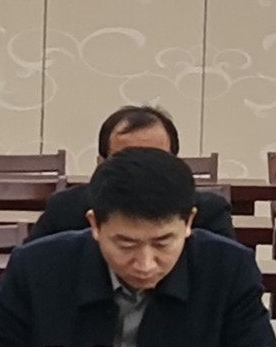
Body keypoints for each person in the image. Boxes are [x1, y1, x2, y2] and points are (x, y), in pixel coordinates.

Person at [0, 145, 276, 347]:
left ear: (188, 222)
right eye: (126, 244)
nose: (145, 263)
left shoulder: (228, 266)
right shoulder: (37, 265)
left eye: (163, 243)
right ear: (95, 225)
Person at [21, 105, 241, 250]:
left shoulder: (208, 212)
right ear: (101, 164)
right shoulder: (66, 208)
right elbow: (30, 274)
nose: (141, 170)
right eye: (127, 159)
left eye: (154, 158)